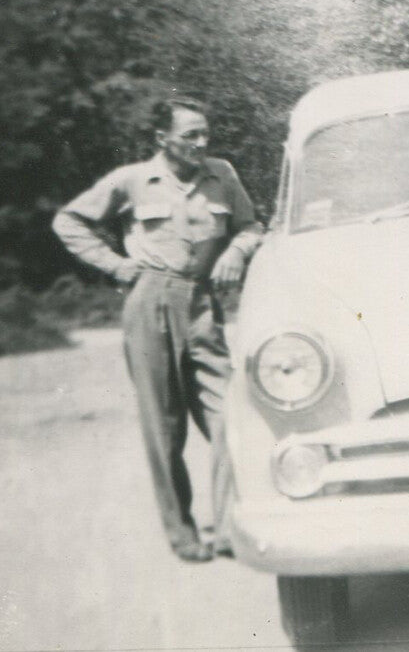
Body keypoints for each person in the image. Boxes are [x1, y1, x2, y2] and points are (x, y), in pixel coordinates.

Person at [53, 97, 263, 562]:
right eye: (191, 135)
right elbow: (68, 221)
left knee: (231, 416)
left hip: (202, 304)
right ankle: (181, 532)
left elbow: (250, 226)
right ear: (162, 138)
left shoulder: (221, 175)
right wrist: (116, 265)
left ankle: (228, 528)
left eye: (205, 133)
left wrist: (235, 252)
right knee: (163, 425)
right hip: (149, 300)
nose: (201, 143)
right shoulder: (133, 180)